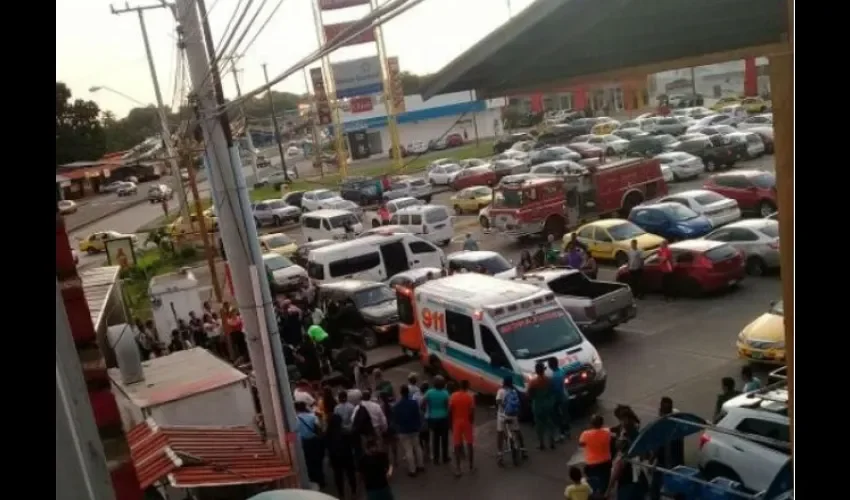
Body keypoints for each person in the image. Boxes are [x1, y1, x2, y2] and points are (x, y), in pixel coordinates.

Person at [650, 397, 684, 500]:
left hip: (670, 461)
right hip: (667, 460)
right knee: (657, 486)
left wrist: (652, 458)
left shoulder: (668, 424)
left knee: (660, 486)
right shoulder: (675, 420)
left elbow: (660, 444)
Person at [394, 384, 425, 476]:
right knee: (417, 447)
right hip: (414, 428)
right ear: (408, 392)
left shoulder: (397, 405)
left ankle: (412, 469)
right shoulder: (413, 403)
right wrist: (418, 425)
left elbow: (396, 419)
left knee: (408, 450)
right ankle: (421, 465)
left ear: (401, 393)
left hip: (403, 430)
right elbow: (418, 415)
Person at [326, 412, 358, 500]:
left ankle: (341, 494)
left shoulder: (328, 433)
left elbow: (327, 446)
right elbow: (352, 444)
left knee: (338, 476)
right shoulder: (345, 432)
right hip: (347, 456)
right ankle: (354, 492)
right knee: (350, 474)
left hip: (335, 457)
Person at [496, 375, 526, 465]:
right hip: (513, 415)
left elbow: (498, 401)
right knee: (517, 431)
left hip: (503, 416)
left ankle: (500, 455)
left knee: (500, 433)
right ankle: (523, 450)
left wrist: (502, 406)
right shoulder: (513, 391)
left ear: (504, 383)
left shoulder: (501, 391)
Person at [295, 401, 325, 489]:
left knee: (307, 462)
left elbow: (294, 432)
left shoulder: (295, 419)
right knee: (317, 462)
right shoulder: (313, 417)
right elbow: (319, 429)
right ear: (305, 407)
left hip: (303, 443)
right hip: (314, 442)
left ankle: (311, 480)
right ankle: (320, 480)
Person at [579, 415, 613, 494]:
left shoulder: (585, 434)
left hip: (592, 464)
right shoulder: (607, 433)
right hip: (605, 462)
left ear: (591, 424)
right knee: (604, 482)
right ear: (602, 423)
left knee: (593, 484)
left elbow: (581, 444)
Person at [448, 379, 476, 476]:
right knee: (469, 444)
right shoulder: (470, 397)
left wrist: (451, 422)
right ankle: (471, 466)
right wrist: (471, 422)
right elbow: (472, 411)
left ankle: (458, 469)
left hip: (456, 422)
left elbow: (450, 410)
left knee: (457, 445)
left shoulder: (453, 396)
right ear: (467, 387)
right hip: (466, 422)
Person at [421, 375, 451, 465]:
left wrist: (426, 409)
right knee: (445, 439)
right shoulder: (445, 393)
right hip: (443, 418)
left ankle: (436, 459)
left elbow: (422, 403)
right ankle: (445, 457)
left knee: (435, 438)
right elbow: (448, 406)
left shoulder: (429, 392)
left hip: (433, 418)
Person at [528, 362, 556, 450]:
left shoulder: (533, 382)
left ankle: (542, 444)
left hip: (538, 405)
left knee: (539, 426)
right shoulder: (549, 380)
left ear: (536, 371)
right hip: (548, 403)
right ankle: (552, 442)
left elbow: (529, 394)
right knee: (550, 423)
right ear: (544, 370)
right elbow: (552, 391)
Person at [547, 358, 570, 441]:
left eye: (549, 364)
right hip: (565, 395)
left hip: (558, 397)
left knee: (557, 416)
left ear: (551, 365)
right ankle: (567, 431)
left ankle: (562, 433)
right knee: (565, 414)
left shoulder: (554, 377)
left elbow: (556, 390)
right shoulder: (561, 371)